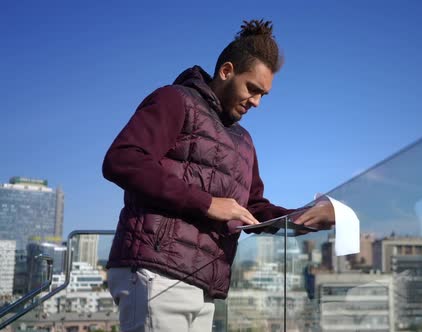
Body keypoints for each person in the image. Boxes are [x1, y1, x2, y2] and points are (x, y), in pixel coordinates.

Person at [102, 19, 335, 332]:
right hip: (155, 272)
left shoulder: (244, 141)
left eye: (264, 95)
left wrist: (299, 218)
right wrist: (206, 202)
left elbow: (252, 208)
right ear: (227, 71)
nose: (257, 102)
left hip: (202, 284)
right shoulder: (175, 100)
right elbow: (122, 159)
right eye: (253, 89)